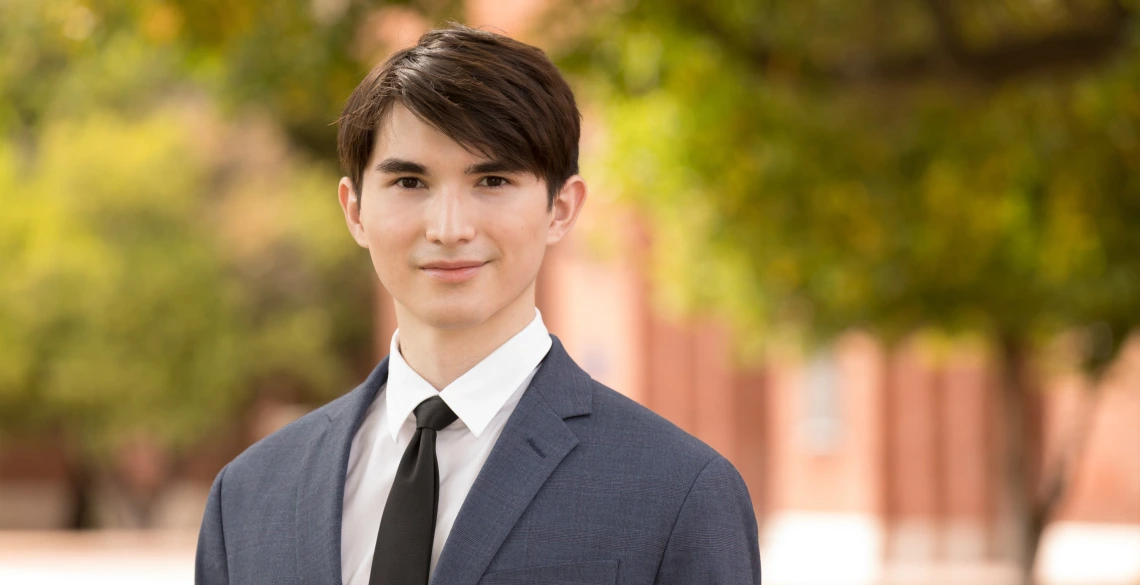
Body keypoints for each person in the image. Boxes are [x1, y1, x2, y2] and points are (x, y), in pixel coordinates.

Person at [195, 24, 761, 585]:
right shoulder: (248, 496)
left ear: (561, 208)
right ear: (355, 210)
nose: (449, 228)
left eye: (491, 180)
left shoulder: (678, 492)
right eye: (410, 183)